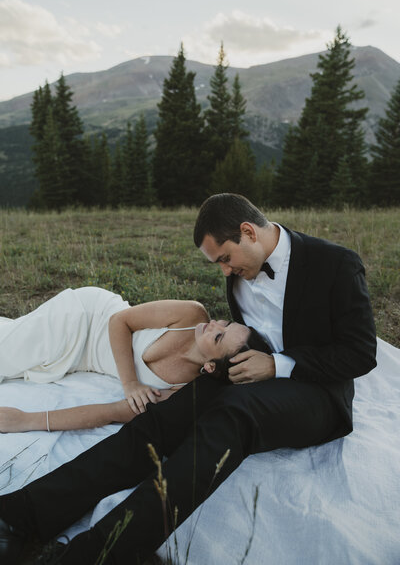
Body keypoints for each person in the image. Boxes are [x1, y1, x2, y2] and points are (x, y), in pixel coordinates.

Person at [0, 193, 377, 565]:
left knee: (233, 414)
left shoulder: (336, 263)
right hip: (246, 371)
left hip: (314, 393)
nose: (225, 272)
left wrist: (277, 365)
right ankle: (20, 516)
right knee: (156, 423)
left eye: (225, 259)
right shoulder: (240, 270)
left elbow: (360, 353)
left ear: (249, 232)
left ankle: (97, 553)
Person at [0, 286, 250, 432]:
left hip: (83, 361)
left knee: (14, 350)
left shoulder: (180, 391)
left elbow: (113, 412)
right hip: (87, 318)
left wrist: (27, 420)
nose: (214, 325)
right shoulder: (191, 315)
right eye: (226, 323)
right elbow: (119, 320)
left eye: (219, 337)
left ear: (210, 366)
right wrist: (130, 383)